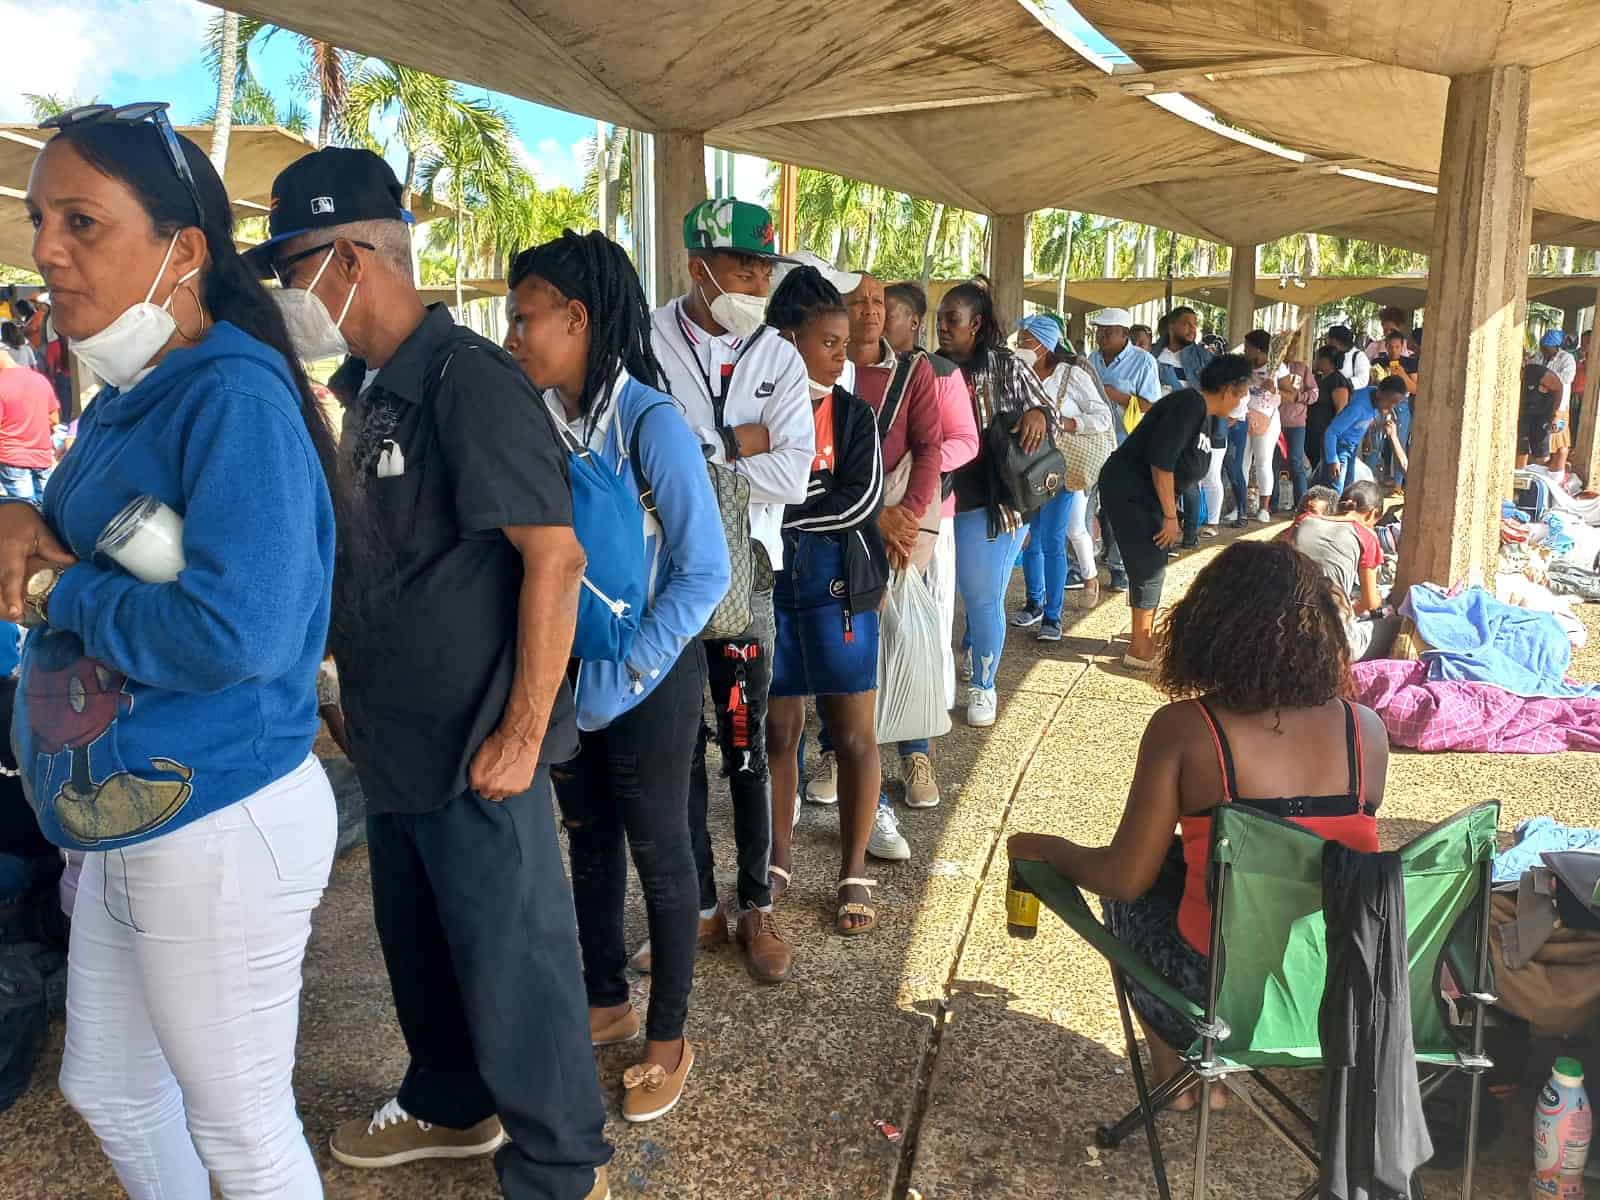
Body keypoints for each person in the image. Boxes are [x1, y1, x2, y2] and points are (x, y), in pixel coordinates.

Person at [247, 146, 611, 1198]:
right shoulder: (368, 389)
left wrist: (520, 732)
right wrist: (336, 689)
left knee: (515, 958)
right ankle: (453, 1101)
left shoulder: (466, 380)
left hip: (475, 745)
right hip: (398, 739)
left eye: (294, 266)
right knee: (419, 944)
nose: (286, 292)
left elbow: (556, 558)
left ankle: (556, 1160)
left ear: (355, 258)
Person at [14, 102, 340, 1200]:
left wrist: (48, 582)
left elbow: (232, 631)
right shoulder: (134, 393)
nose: (46, 249)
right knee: (108, 1086)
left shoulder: (233, 396)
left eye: (81, 222)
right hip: (136, 811)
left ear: (183, 251)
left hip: (218, 818)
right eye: (37, 218)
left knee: (244, 1130)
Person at [1007, 541, 1386, 1110]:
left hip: (1216, 1004)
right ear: (1324, 634)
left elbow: (1124, 877)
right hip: (1339, 993)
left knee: (1139, 890)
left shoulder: (1187, 730)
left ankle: (1184, 1081)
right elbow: (1322, 845)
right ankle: (1194, 1077)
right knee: (1191, 861)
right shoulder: (1367, 732)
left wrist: (1045, 850)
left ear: (1210, 629)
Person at [503, 230, 730, 1124]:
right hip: (569, 675)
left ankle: (669, 1037)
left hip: (650, 677)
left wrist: (635, 666)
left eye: (527, 319)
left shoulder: (650, 423)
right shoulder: (538, 422)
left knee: (660, 850)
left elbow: (703, 571)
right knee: (587, 839)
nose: (514, 335)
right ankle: (606, 998)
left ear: (578, 318)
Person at [648, 198, 811, 985]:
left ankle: (757, 907)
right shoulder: (645, 343)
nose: (755, 278)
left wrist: (695, 449)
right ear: (698, 265)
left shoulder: (779, 357)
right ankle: (699, 911)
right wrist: (739, 441)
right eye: (742, 264)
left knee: (744, 744)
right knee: (676, 746)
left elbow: (794, 471)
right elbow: (638, 459)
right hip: (666, 573)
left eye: (762, 267)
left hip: (749, 564)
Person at [762, 266, 890, 937]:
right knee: (778, 730)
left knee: (853, 735)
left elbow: (862, 502)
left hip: (841, 591)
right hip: (773, 590)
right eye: (830, 342)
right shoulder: (753, 410)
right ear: (785, 342)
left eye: (845, 342)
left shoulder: (851, 414)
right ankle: (778, 860)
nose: (843, 354)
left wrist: (783, 517)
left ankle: (852, 870)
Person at [879, 281, 979, 809]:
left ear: (911, 323)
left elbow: (964, 440)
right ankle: (843, 749)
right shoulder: (850, 368)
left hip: (926, 520)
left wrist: (912, 479)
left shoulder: (940, 374)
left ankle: (918, 749)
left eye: (884, 313)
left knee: (920, 634)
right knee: (862, 640)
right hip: (864, 522)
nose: (871, 321)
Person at [936, 282, 1052, 726]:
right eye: (941, 319)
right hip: (945, 498)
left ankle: (984, 684)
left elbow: (1047, 411)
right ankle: (971, 649)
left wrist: (1038, 414)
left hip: (997, 503)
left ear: (976, 324)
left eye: (953, 319)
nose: (943, 327)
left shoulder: (1005, 365)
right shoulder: (932, 365)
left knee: (983, 596)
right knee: (961, 590)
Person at [1098, 354, 1252, 669]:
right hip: (1131, 489)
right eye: (1240, 392)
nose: (1242, 399)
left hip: (1149, 494)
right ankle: (1139, 648)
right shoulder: (1189, 405)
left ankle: (1144, 635)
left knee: (1154, 560)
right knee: (1149, 562)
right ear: (1226, 389)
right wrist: (1170, 516)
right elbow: (1162, 462)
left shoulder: (1206, 414)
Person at [1013, 314, 1112, 635]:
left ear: (1043, 345)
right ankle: (1033, 603)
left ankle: (1053, 617)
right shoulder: (1018, 372)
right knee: (1030, 539)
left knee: (1054, 538)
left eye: (1025, 341)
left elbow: (1103, 416)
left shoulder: (1071, 375)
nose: (1020, 346)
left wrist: (1067, 423)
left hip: (1060, 467)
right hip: (1026, 468)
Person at [1086, 308, 1161, 592]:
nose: (1101, 336)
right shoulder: (1091, 359)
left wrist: (1116, 395)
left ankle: (1118, 567)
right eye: (1099, 330)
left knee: (1121, 509)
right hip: (1093, 445)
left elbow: (1151, 404)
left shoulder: (1143, 362)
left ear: (1124, 334)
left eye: (1108, 331)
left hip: (1126, 446)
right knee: (1086, 506)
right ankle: (1084, 566)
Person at [1290, 481, 1400, 661]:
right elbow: (1371, 603)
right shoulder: (1366, 536)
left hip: (1289, 629)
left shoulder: (1304, 521)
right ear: (1373, 514)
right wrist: (1351, 609)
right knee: (1398, 624)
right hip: (1334, 642)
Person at [1240, 329, 1293, 523]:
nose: (1245, 350)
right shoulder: (1244, 366)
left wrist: (1275, 390)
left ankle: (1264, 508)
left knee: (1262, 462)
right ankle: (1241, 506)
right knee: (1241, 463)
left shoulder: (1279, 369)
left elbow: (1292, 395)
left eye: (1248, 347)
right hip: (1243, 417)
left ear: (1259, 350)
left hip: (1267, 421)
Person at [0, 337, 59, 503]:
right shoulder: (40, 379)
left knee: (25, 512)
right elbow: (54, 419)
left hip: (12, 458)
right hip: (42, 456)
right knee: (50, 509)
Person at [1324, 375, 1407, 491]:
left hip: (1352, 447)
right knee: (1337, 488)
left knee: (1349, 487)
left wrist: (1367, 436)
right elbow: (1331, 432)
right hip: (1340, 447)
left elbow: (1367, 419)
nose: (1391, 407)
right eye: (1390, 402)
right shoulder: (1358, 407)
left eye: (1395, 404)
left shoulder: (1375, 397)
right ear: (1380, 394)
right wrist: (1332, 459)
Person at [1279, 353, 1318, 509]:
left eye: (1293, 346)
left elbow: (1315, 393)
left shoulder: (1301, 368)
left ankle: (1301, 505)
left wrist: (1299, 397)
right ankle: (1272, 504)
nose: (1290, 351)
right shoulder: (1272, 368)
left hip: (1297, 423)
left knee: (1296, 462)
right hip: (1273, 421)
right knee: (1274, 463)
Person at [1537, 329, 1578, 477]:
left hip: (1559, 405)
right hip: (1543, 405)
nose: (1543, 350)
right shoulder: (1541, 357)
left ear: (1554, 347)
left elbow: (1565, 379)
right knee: (1546, 440)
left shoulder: (1567, 359)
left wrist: (1546, 380)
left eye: (1546, 348)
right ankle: (1549, 472)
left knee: (1560, 441)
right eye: (1542, 347)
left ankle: (1557, 474)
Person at [1307, 345, 1351, 476]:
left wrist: (1333, 435)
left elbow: (1340, 409)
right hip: (1313, 430)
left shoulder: (1337, 380)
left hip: (1325, 431)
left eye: (1317, 358)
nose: (1315, 361)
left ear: (1326, 361)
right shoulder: (1319, 378)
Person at [1518, 359, 1563, 468]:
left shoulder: (1536, 372)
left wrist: (1555, 415)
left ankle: (1540, 472)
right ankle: (1520, 471)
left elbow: (1559, 387)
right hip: (1525, 413)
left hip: (1542, 413)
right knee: (1521, 447)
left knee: (1541, 454)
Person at [1325, 324, 1371, 391]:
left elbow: (1362, 380)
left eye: (1329, 339)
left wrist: (1339, 384)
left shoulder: (1359, 356)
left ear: (1336, 340)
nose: (1327, 342)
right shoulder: (1331, 354)